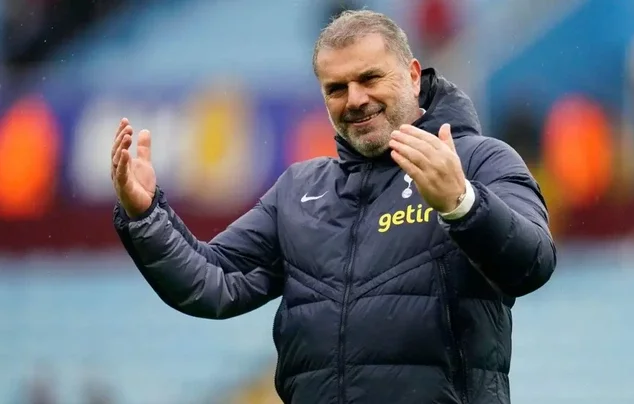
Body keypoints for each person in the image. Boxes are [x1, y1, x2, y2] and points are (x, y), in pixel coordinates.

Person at [111, 10, 556, 404]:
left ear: (414, 75)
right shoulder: (299, 190)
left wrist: (462, 205)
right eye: (336, 88)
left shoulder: (480, 160)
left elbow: (532, 264)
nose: (355, 99)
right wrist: (146, 215)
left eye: (369, 78)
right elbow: (214, 281)